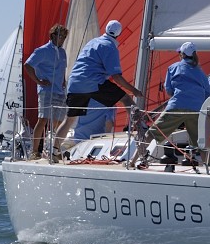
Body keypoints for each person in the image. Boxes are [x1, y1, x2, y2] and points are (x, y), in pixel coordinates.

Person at [52, 20, 143, 156]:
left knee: (69, 120)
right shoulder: (110, 47)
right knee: (126, 99)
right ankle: (141, 129)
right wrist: (135, 90)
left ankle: (54, 152)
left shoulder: (93, 42)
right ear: (118, 34)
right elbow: (116, 77)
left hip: (75, 83)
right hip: (93, 82)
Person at [131, 41, 210, 166]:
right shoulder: (201, 73)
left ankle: (132, 161)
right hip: (196, 110)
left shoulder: (173, 68)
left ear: (182, 55)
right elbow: (208, 95)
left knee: (150, 134)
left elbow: (169, 90)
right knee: (201, 143)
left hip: (176, 107)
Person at [24, 24, 69, 160]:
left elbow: (62, 70)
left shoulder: (62, 52)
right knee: (43, 120)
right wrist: (38, 81)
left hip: (60, 92)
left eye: (64, 37)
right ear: (53, 36)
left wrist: (64, 81)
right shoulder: (42, 51)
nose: (63, 39)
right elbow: (28, 65)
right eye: (61, 36)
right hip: (47, 91)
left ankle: (53, 150)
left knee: (58, 122)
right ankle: (34, 151)